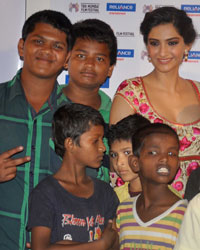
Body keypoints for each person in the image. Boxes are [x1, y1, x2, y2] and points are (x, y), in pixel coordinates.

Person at [0, 10, 73, 250]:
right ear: (22, 46)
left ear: (66, 58)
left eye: (57, 46)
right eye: (38, 41)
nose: (46, 51)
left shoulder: (76, 119)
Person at [110, 6, 200, 196]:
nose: (163, 52)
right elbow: (118, 166)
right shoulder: (131, 93)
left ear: (187, 46)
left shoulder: (199, 91)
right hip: (148, 212)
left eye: (172, 43)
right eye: (155, 43)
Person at [27, 103, 119, 250]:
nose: (103, 147)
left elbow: (114, 242)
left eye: (103, 140)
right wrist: (99, 245)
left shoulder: (105, 192)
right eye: (95, 140)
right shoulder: (45, 193)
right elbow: (40, 248)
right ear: (70, 144)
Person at [60, 18, 117, 183]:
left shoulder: (114, 115)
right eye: (81, 55)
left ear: (110, 70)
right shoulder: (47, 105)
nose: (90, 64)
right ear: (66, 60)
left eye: (99, 59)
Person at [116, 123, 188, 250]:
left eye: (171, 154)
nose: (164, 159)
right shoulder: (124, 210)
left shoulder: (185, 214)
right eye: (153, 152)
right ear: (135, 163)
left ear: (178, 164)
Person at [108, 114, 150, 202]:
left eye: (127, 152)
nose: (119, 162)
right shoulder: (112, 197)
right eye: (114, 155)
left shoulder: (165, 197)